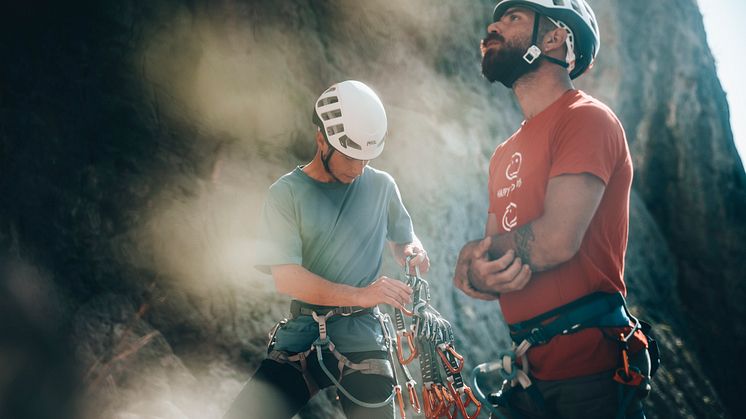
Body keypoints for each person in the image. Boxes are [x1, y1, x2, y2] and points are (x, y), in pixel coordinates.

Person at [453, 1, 652, 418]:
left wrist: (479, 256)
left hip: (592, 377)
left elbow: (556, 241)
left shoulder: (587, 119)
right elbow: (495, 264)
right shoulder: (504, 154)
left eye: (514, 18)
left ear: (554, 36)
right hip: (531, 376)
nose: (494, 25)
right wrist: (475, 271)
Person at [223, 80, 430, 419]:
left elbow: (404, 238)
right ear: (322, 139)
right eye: (351, 156)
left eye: (367, 158)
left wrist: (412, 251)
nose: (359, 169)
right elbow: (287, 279)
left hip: (363, 337)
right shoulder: (285, 194)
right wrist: (361, 295)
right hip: (303, 335)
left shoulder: (381, 186)